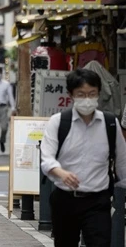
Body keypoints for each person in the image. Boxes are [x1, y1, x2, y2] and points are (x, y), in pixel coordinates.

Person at [42, 69, 126, 246]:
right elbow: (46, 158)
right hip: (65, 200)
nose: (87, 99)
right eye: (81, 94)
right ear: (71, 94)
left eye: (92, 94)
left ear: (98, 94)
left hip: (98, 201)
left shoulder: (110, 124)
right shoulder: (58, 122)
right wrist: (61, 173)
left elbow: (122, 164)